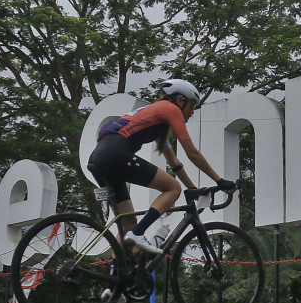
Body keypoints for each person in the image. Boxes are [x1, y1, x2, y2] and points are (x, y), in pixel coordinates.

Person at [87, 78, 235, 256]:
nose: (192, 112)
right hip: (116, 155)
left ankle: (114, 272)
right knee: (173, 188)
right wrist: (220, 181)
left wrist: (193, 189)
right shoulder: (170, 109)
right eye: (192, 106)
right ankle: (138, 234)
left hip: (99, 159)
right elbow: (192, 153)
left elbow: (174, 163)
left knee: (127, 224)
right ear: (180, 100)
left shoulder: (156, 120)